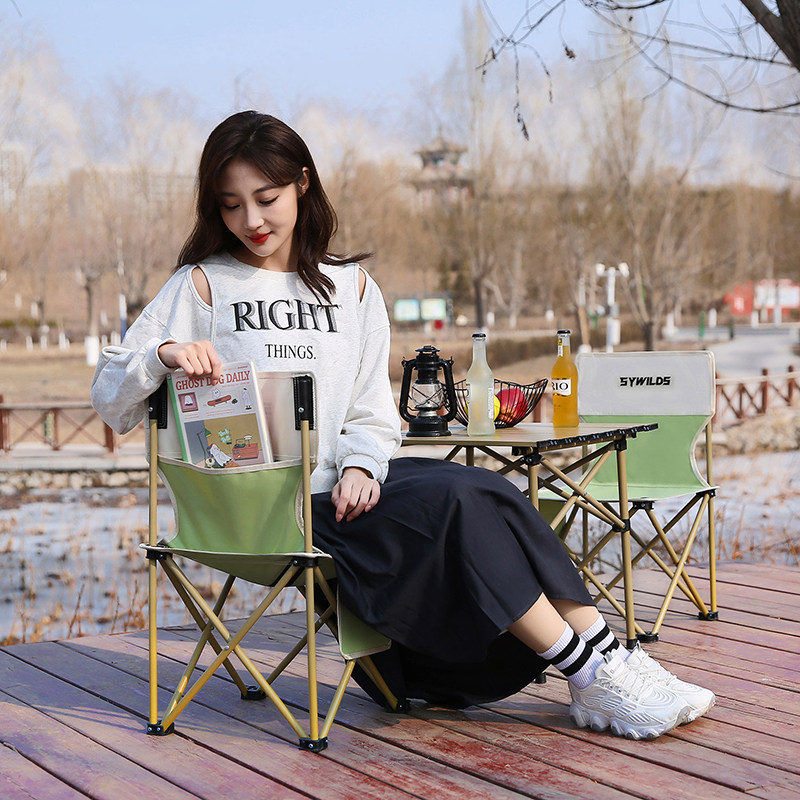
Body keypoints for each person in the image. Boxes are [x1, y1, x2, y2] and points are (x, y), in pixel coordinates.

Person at [91, 111, 714, 741]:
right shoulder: (202, 286)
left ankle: (609, 658)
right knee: (454, 506)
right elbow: (110, 395)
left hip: (347, 490)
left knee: (485, 490)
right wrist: (162, 354)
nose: (251, 219)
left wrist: (364, 465)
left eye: (267, 198)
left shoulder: (352, 288)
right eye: (231, 205)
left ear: (302, 184)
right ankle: (590, 672)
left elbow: (370, 408)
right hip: (269, 508)